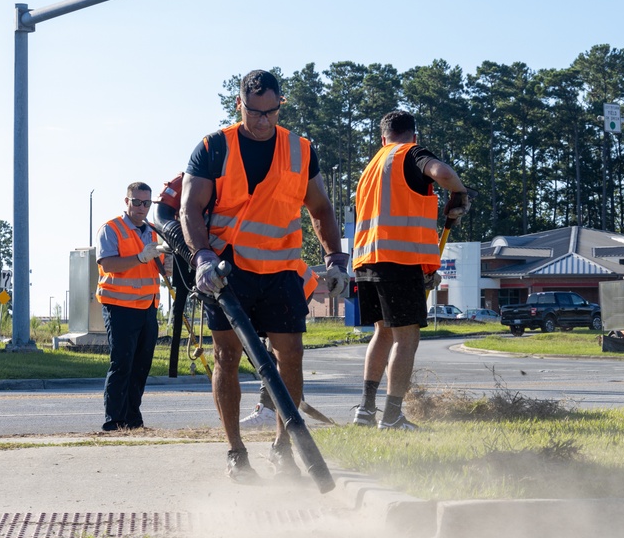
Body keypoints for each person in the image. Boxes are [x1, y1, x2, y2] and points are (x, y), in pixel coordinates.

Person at [180, 69, 346, 482]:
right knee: (227, 357)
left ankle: (282, 446)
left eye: (271, 112)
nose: (263, 121)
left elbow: (321, 208)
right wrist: (201, 255)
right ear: (240, 105)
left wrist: (336, 258)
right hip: (227, 272)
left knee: (290, 357)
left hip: (282, 270)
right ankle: (236, 452)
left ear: (280, 106)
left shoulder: (301, 149)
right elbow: (189, 209)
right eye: (255, 113)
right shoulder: (213, 147)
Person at [352, 110, 471, 430]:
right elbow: (442, 171)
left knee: (383, 333)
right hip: (397, 261)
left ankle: (366, 409)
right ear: (413, 136)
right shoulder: (411, 153)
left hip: (366, 260)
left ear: (383, 138)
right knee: (407, 339)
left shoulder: (370, 168)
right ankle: (392, 416)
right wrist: (459, 192)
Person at [95, 182, 164, 431]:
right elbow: (109, 264)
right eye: (136, 202)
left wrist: (166, 266)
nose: (141, 207)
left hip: (148, 306)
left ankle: (133, 420)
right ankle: (114, 420)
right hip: (120, 307)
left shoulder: (155, 232)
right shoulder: (111, 229)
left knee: (141, 366)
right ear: (127, 202)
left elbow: (161, 266)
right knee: (122, 364)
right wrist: (140, 258)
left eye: (146, 203)